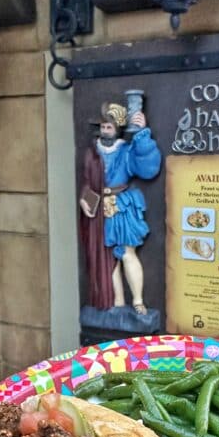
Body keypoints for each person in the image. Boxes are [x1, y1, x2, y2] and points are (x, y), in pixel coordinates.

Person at [79, 102, 161, 315]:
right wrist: (84, 199)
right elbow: (88, 181)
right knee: (108, 259)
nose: (105, 131)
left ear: (118, 129)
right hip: (99, 210)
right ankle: (117, 301)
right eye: (103, 127)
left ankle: (138, 300)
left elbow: (147, 167)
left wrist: (142, 133)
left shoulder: (126, 151)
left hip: (120, 206)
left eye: (110, 127)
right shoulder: (93, 152)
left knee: (126, 253)